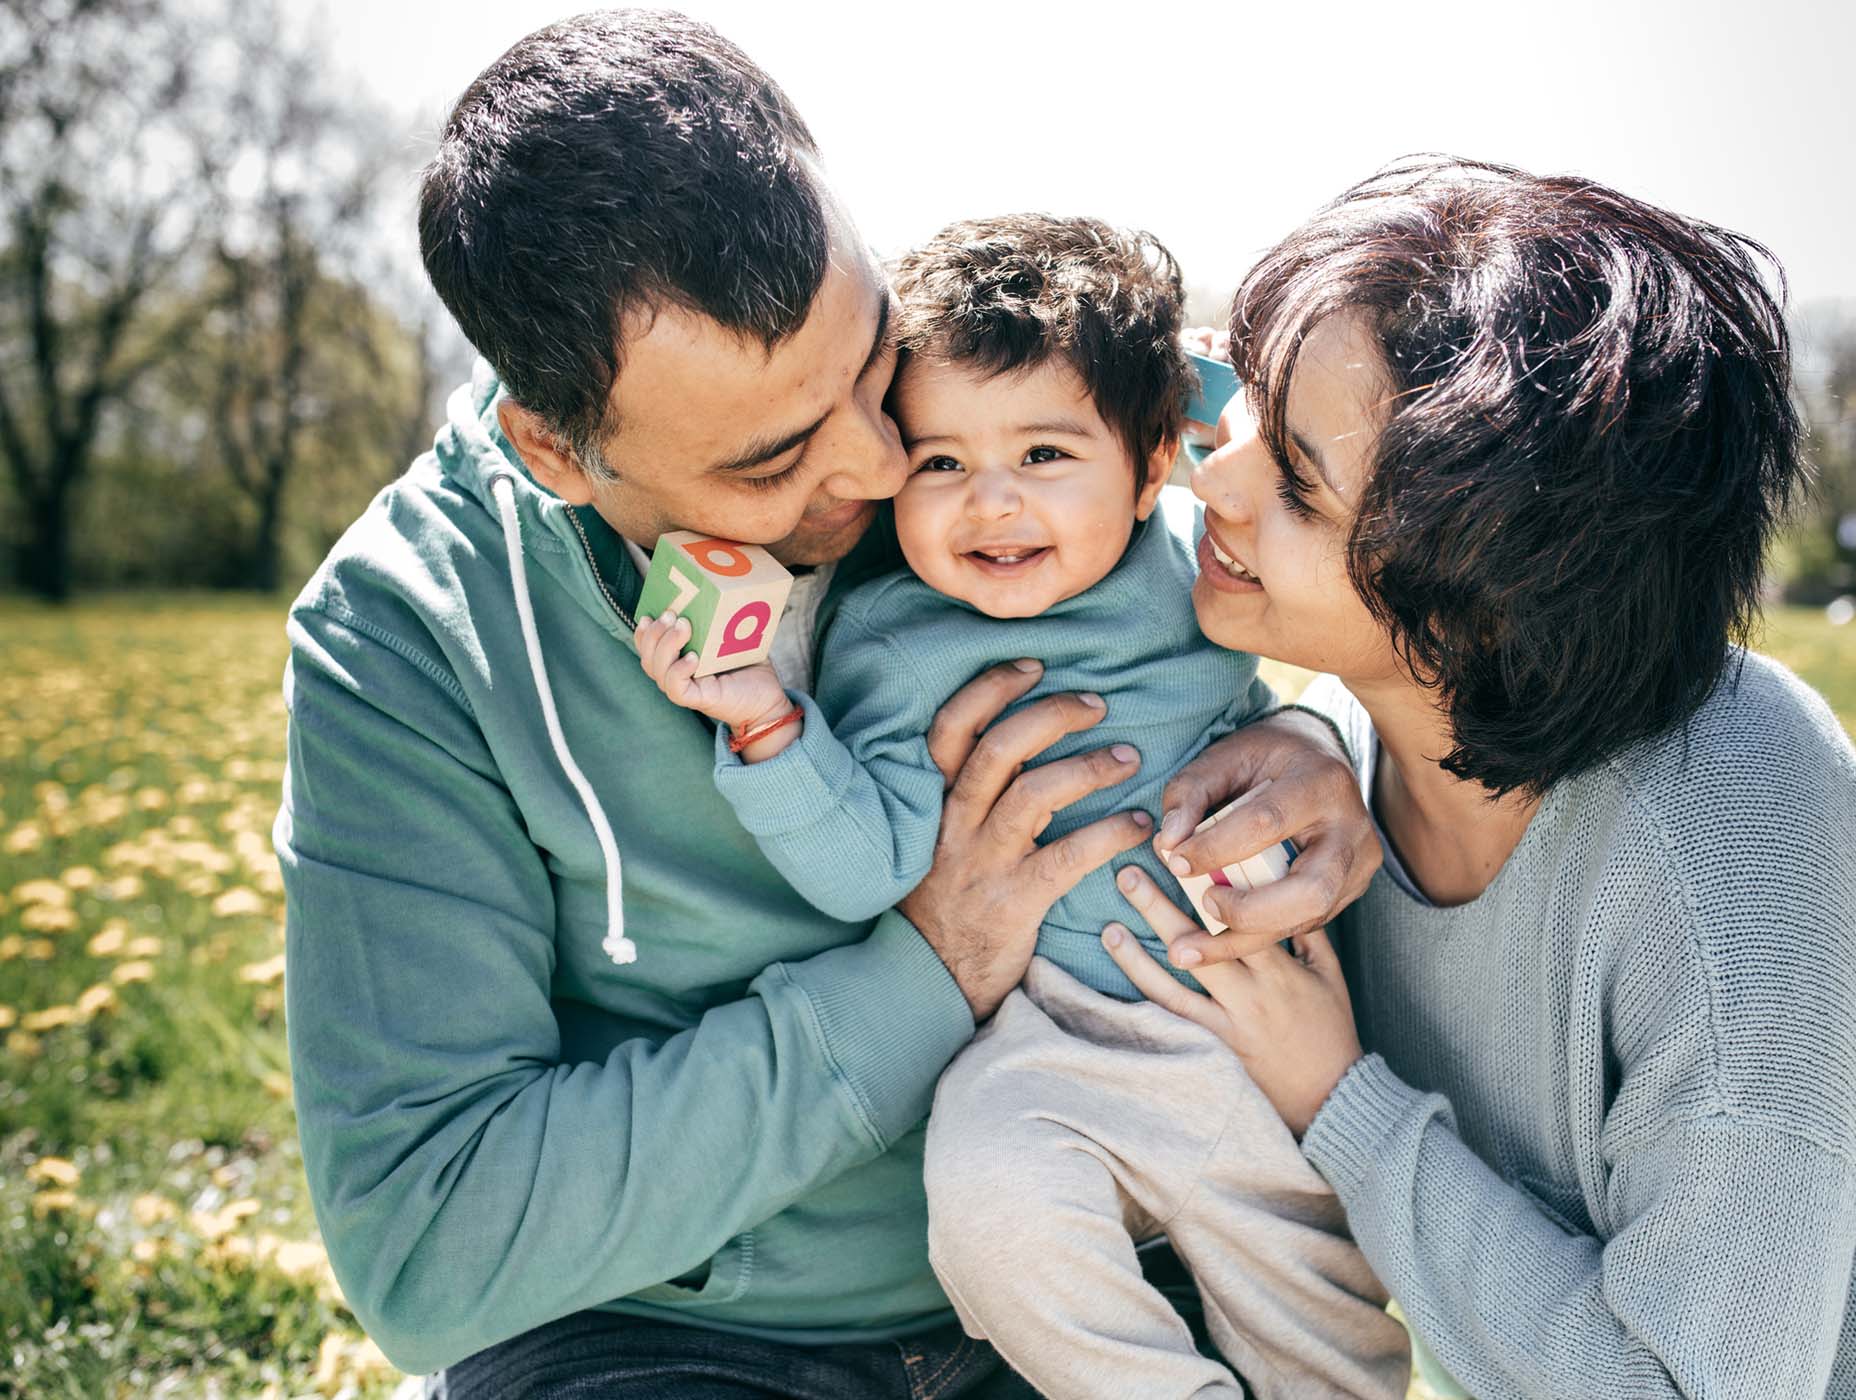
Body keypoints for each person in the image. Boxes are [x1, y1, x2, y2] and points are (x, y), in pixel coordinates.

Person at [273, 11, 1379, 1395]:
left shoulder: (969, 424)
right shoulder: (408, 636)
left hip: (1102, 1258)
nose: (875, 466)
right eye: (776, 457)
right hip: (666, 1339)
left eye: (868, 367)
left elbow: (1266, 541)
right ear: (558, 449)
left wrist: (1317, 740)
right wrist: (932, 966)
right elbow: (431, 1245)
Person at [1097, 158, 1856, 1398]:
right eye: (1249, 406)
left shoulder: (1726, 826)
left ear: (1478, 604)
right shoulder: (1351, 755)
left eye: (1298, 483)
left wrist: (1336, 1097)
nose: (1218, 479)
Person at [639, 213, 1408, 1399]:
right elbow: (864, 867)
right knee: (990, 1210)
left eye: (1045, 456)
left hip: (1249, 1021)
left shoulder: (1193, 554)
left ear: (1149, 467)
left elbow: (1265, 475)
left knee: (1320, 1321)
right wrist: (770, 731)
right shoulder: (893, 646)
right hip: (1047, 1044)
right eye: (940, 462)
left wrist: (1301, 727)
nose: (990, 503)